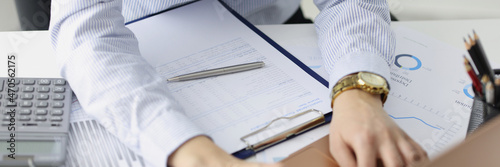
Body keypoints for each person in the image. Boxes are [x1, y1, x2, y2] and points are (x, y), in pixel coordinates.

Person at [49, 0, 428, 166]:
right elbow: (86, 35)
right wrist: (189, 153)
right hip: (148, 46)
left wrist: (356, 90)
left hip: (277, 33)